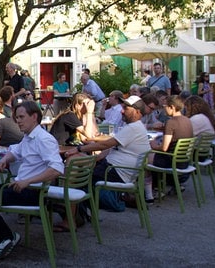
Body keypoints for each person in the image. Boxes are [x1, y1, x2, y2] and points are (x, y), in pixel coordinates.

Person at [0, 101, 64, 261]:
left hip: (32, 192)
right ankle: (6, 237)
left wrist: (27, 181)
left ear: (34, 117)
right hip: (22, 187)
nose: (18, 121)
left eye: (21, 117)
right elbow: (15, 151)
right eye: (16, 117)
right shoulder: (29, 137)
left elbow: (57, 169)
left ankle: (5, 238)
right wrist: (5, 159)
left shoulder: (43, 139)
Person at [64, 95, 151, 226]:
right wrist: (92, 157)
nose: (122, 111)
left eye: (125, 108)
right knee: (76, 163)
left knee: (77, 177)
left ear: (137, 112)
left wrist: (79, 149)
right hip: (115, 169)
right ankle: (75, 213)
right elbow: (108, 148)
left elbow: (106, 144)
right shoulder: (136, 127)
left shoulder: (133, 128)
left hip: (115, 171)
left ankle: (70, 217)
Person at [146, 96, 194, 200]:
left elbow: (164, 148)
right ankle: (163, 186)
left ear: (171, 107)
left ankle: (153, 190)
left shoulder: (171, 122)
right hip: (184, 160)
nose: (163, 109)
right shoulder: (187, 120)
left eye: (165, 106)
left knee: (145, 157)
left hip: (171, 161)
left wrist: (153, 145)